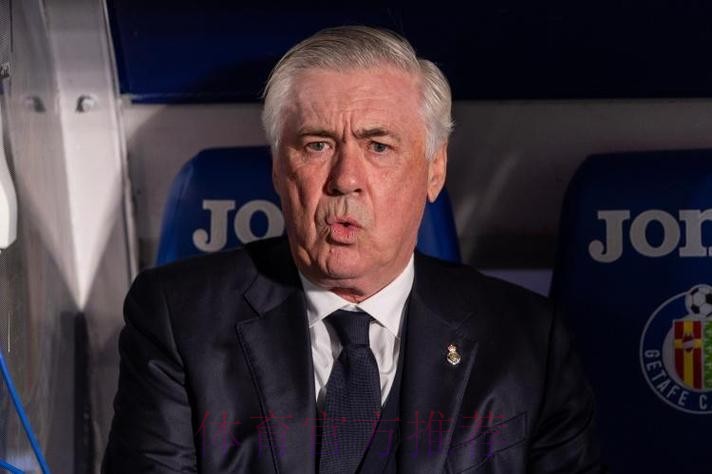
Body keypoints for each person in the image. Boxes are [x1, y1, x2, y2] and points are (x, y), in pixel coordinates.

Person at [103, 26, 602, 473]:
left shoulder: (528, 340)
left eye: (378, 146)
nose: (345, 179)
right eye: (317, 145)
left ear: (434, 170)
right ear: (278, 168)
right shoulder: (177, 319)